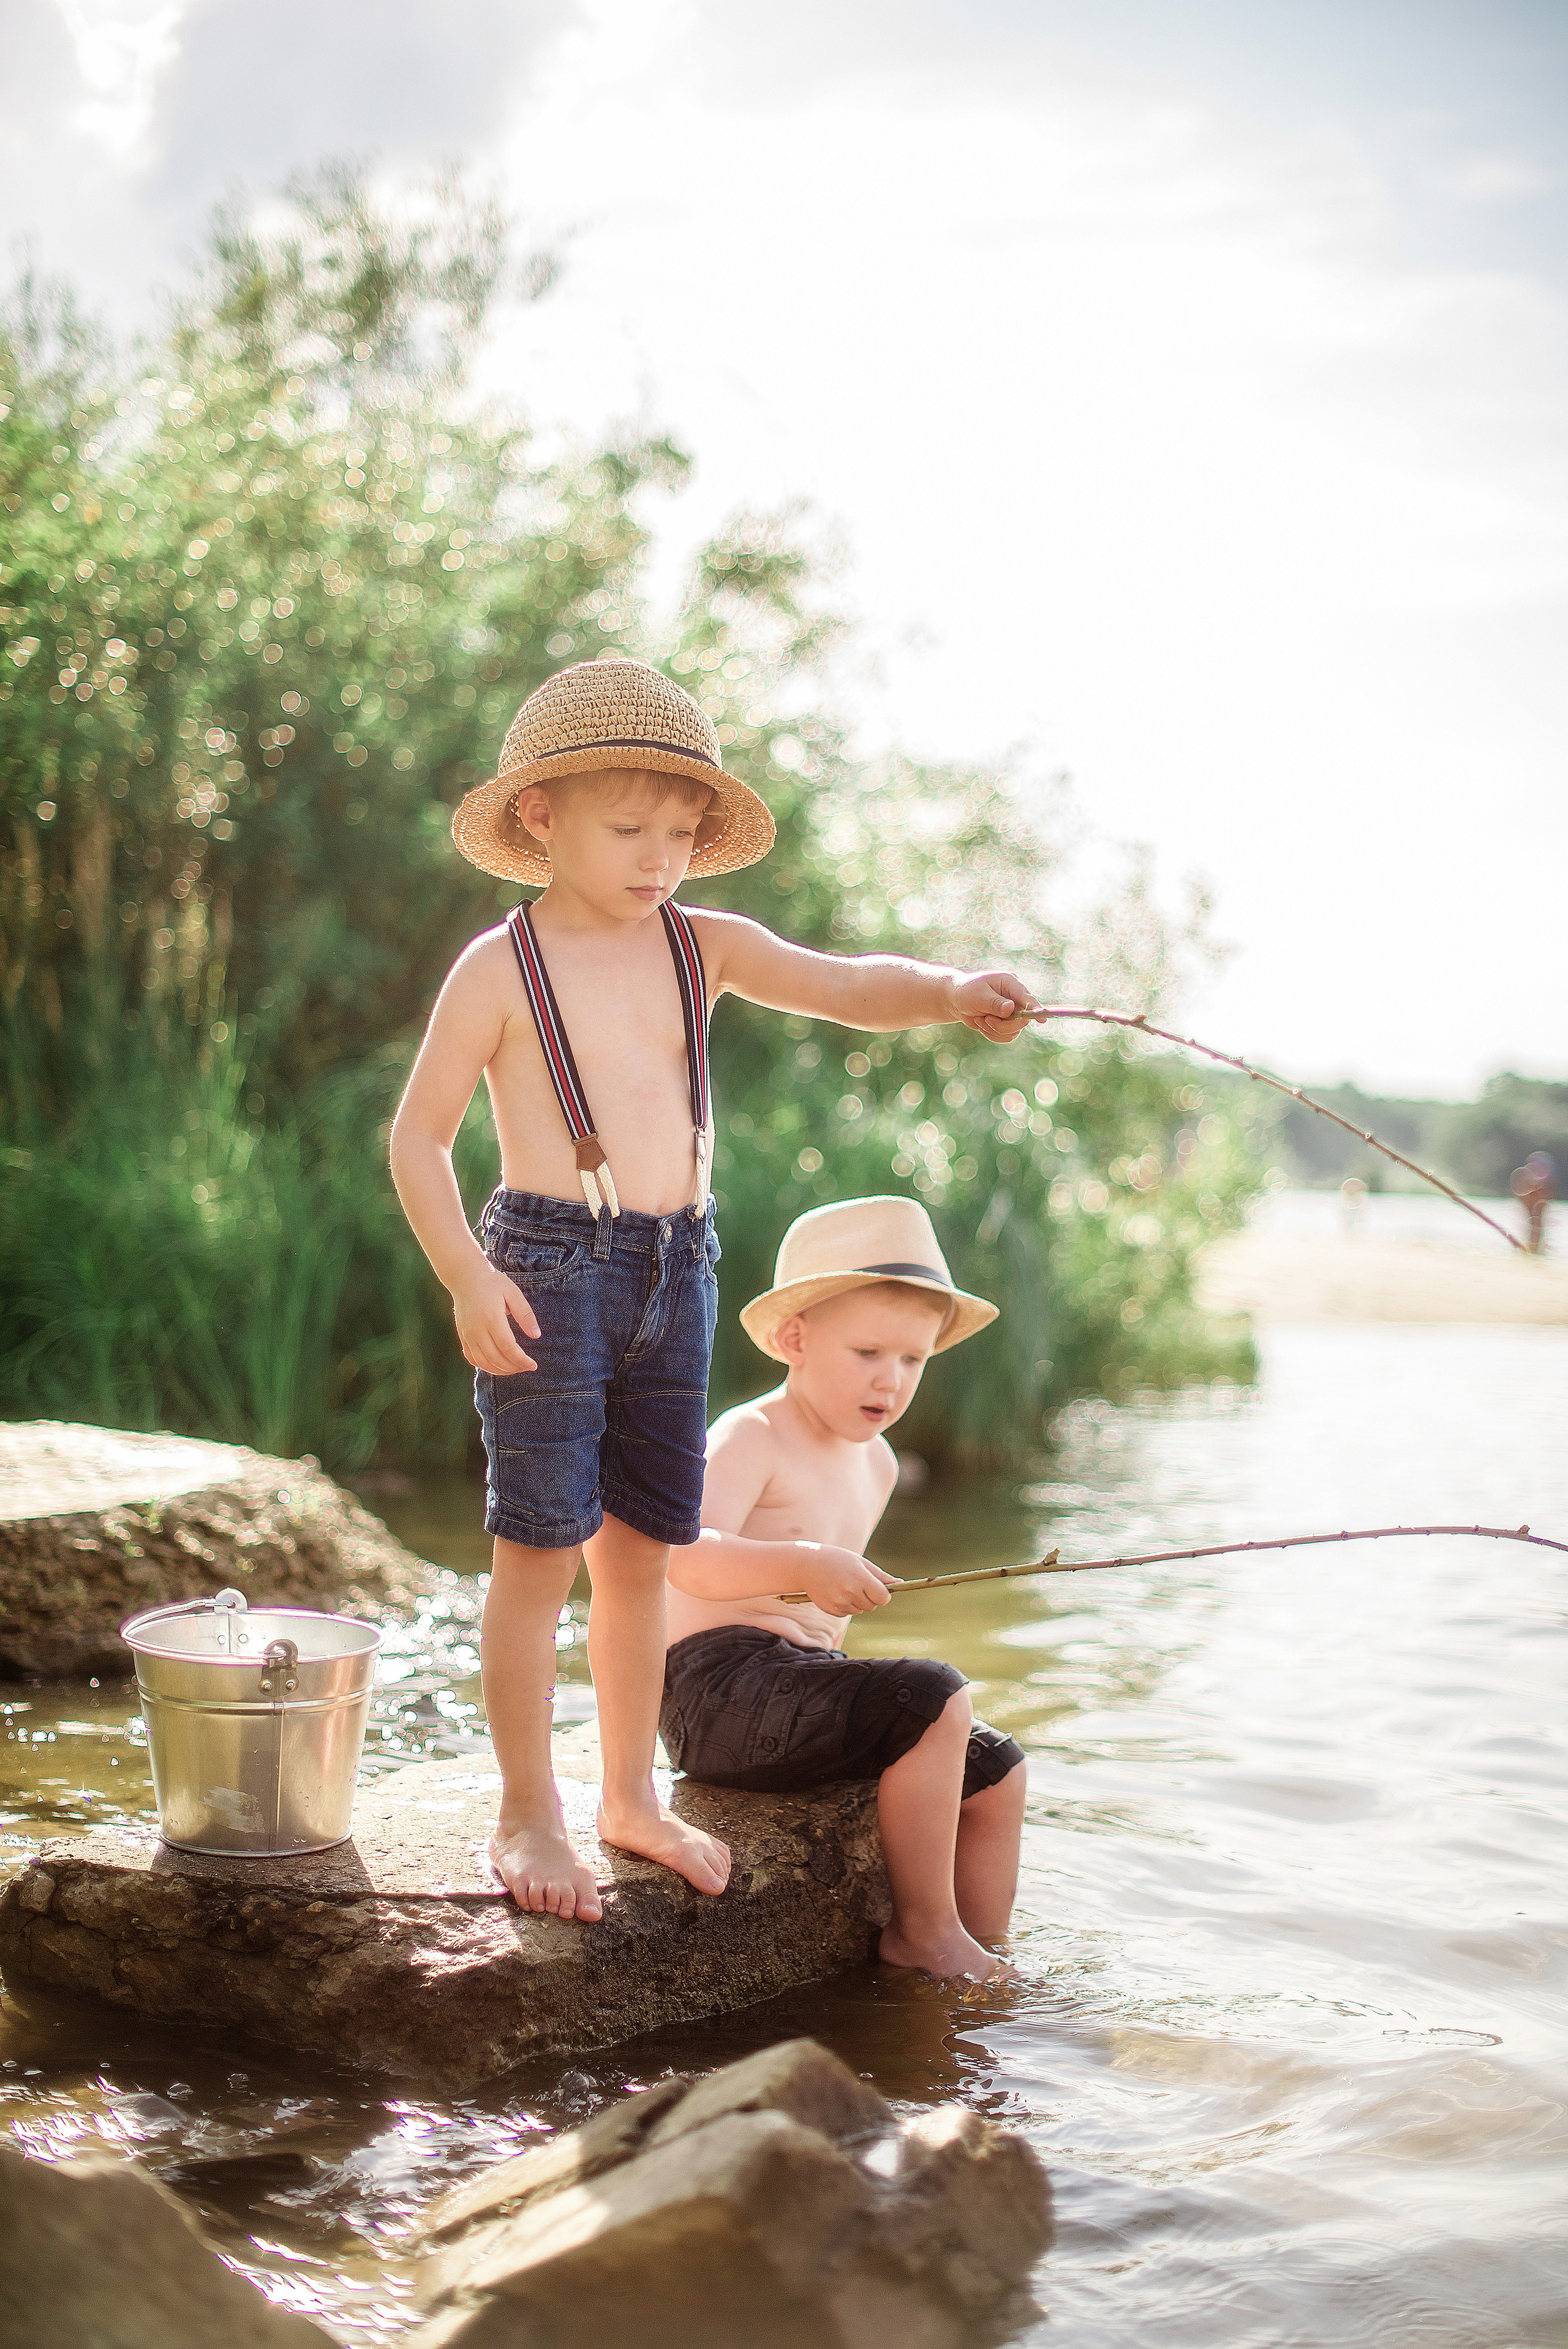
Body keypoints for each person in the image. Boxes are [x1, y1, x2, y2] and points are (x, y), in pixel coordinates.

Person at [389, 658, 1041, 1924]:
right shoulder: (501, 968)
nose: (660, 860)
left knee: (639, 1554)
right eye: (630, 830)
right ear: (542, 817)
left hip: (678, 1267)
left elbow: (842, 982)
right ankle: (528, 1809)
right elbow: (417, 1137)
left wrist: (949, 993)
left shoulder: (705, 947)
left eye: (681, 837)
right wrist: (466, 1272)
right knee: (537, 1553)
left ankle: (630, 1796)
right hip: (545, 1269)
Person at [662, 1195, 1028, 1983]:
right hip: (713, 1692)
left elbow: (822, 1634)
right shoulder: (754, 1434)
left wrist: (837, 1598)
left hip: (800, 1682)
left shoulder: (879, 1463)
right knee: (933, 1693)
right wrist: (804, 1564)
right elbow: (682, 1555)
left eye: (913, 1361)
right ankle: (924, 1934)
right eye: (867, 1352)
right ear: (794, 1340)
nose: (890, 1381)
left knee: (997, 1766)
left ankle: (983, 1945)